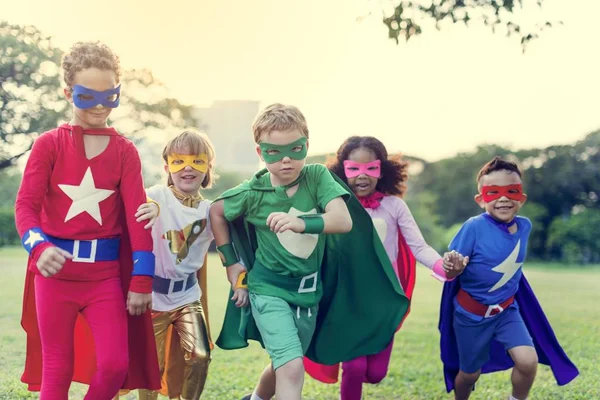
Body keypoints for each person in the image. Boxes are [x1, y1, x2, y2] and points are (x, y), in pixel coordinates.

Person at [210, 104, 410, 400]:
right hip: (269, 290)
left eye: (296, 148)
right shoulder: (253, 192)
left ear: (307, 144)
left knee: (286, 363)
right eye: (274, 152)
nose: (287, 160)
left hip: (309, 294)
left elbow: (343, 221)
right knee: (292, 368)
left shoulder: (316, 177)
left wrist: (300, 222)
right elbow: (216, 211)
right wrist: (231, 265)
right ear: (259, 152)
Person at [14, 41, 160, 399]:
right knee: (57, 368)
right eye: (86, 96)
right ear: (68, 93)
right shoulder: (49, 144)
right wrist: (38, 247)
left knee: (114, 365)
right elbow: (25, 207)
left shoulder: (125, 151)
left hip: (104, 277)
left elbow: (137, 216)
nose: (98, 106)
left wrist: (141, 278)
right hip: (54, 277)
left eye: (109, 96)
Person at [304, 135, 467, 399]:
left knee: (375, 373)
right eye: (354, 169)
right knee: (354, 367)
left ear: (383, 170)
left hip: (384, 300)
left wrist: (445, 267)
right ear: (342, 169)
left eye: (371, 168)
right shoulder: (335, 207)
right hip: (347, 300)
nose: (362, 176)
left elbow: (418, 247)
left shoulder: (394, 206)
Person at [438, 156, 579, 400]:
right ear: (481, 199)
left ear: (521, 198)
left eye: (511, 191)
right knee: (470, 375)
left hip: (506, 311)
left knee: (528, 362)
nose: (503, 198)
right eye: (493, 192)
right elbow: (450, 271)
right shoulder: (473, 227)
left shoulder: (525, 226)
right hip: (471, 315)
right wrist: (454, 266)